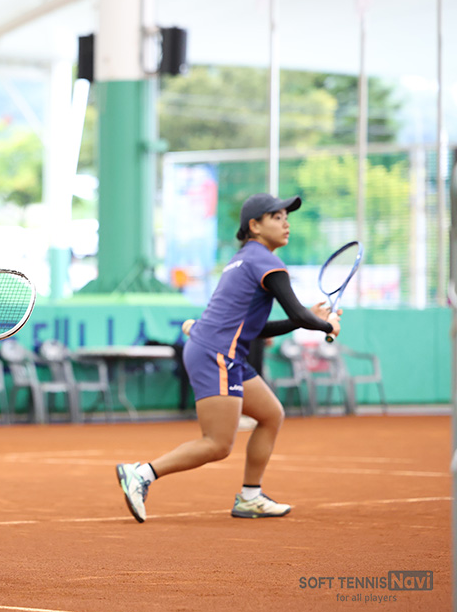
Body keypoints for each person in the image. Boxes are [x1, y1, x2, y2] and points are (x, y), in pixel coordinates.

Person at [116, 193, 339, 522]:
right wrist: (326, 325)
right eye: (276, 217)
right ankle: (142, 473)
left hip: (218, 350)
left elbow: (258, 328)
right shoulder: (266, 262)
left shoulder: (244, 259)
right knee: (217, 444)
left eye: (286, 217)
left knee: (271, 415)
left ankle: (250, 497)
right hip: (217, 354)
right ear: (255, 226)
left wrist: (309, 319)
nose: (286, 223)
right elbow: (297, 313)